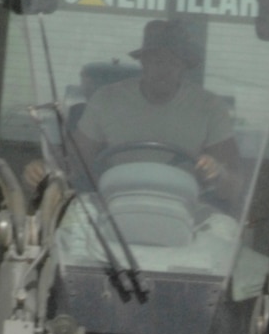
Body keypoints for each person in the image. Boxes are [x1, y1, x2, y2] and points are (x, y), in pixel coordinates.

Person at [71, 19, 243, 211]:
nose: (165, 70)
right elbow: (75, 164)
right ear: (143, 61)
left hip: (186, 214)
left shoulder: (210, 107)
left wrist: (217, 172)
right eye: (158, 61)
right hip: (115, 209)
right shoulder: (106, 100)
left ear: (184, 66)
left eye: (173, 62)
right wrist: (42, 172)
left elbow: (233, 186)